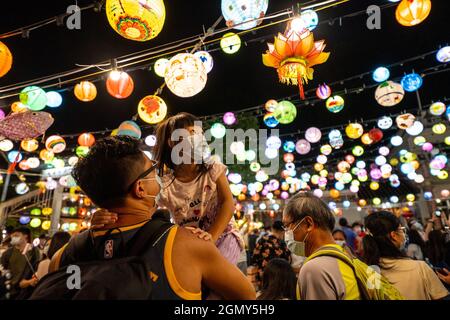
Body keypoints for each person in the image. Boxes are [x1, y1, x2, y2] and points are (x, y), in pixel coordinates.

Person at [49, 136, 255, 300]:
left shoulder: (62, 256)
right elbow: (248, 297)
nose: (158, 175)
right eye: (152, 170)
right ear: (140, 188)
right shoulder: (187, 245)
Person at [91, 113, 243, 266]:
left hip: (224, 235)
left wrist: (211, 237)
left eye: (200, 133)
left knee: (215, 278)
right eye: (191, 132)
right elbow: (140, 210)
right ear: (172, 143)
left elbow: (227, 203)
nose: (199, 137)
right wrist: (107, 216)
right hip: (191, 245)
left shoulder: (213, 167)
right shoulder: (163, 184)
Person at [282, 192, 361, 300]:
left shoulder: (315, 268)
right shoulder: (347, 255)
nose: (286, 233)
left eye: (287, 226)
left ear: (308, 224)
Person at [362, 211, 449, 300]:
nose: (404, 234)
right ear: (394, 235)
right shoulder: (420, 267)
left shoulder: (370, 271)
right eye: (401, 230)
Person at [0, 227, 40, 299]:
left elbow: (37, 270)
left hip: (26, 291)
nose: (13, 238)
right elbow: (2, 269)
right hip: (9, 290)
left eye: (16, 235)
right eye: (12, 236)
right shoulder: (8, 253)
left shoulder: (34, 252)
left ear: (25, 236)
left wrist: (29, 281)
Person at [251, 221, 291, 289]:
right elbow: (288, 260)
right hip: (277, 276)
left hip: (263, 275)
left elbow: (254, 257)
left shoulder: (262, 240)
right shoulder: (282, 244)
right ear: (283, 231)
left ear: (272, 229)